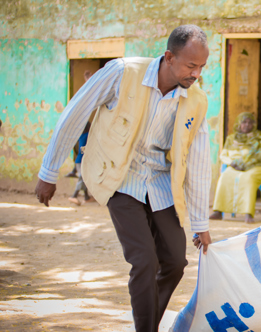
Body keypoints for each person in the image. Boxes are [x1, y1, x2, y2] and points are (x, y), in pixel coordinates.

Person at [35, 25, 213, 332]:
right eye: (190, 65)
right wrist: (48, 172)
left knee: (175, 262)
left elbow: (198, 162)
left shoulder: (195, 101)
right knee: (144, 261)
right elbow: (75, 114)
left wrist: (200, 223)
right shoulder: (121, 72)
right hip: (117, 177)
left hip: (160, 184)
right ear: (169, 57)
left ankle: (147, 323)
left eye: (201, 67)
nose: (196, 73)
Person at [210, 112, 261, 223]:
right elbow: (224, 155)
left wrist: (248, 163)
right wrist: (231, 162)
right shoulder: (231, 138)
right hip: (236, 166)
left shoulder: (259, 138)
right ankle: (218, 211)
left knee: (248, 179)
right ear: (238, 124)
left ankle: (248, 214)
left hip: (255, 166)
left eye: (250, 122)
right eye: (244, 122)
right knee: (224, 177)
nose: (247, 125)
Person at [68, 122, 94, 205]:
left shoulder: (80, 136)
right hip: (81, 160)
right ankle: (74, 196)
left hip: (79, 160)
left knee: (84, 178)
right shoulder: (86, 135)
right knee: (82, 177)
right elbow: (82, 149)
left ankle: (86, 197)